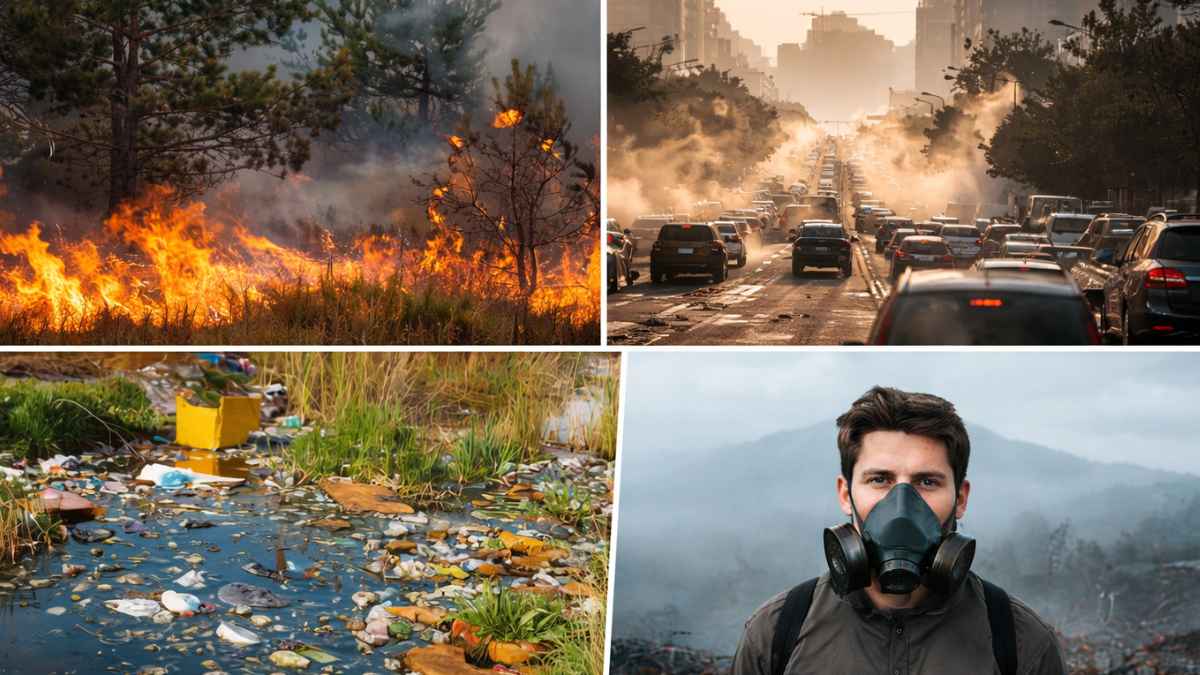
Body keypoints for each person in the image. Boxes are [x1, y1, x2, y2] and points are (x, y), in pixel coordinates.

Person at [732, 386, 1067, 675]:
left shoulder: (1020, 641)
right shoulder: (777, 633)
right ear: (846, 494)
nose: (903, 506)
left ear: (960, 498)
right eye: (880, 480)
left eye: (927, 482)